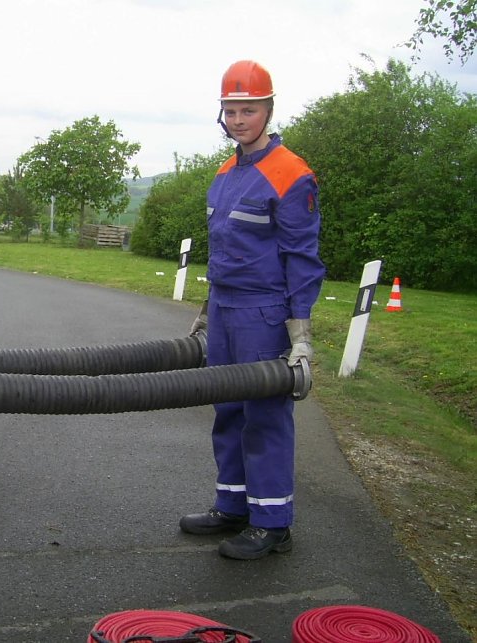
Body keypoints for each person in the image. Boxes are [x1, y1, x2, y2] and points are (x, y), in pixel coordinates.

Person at [179, 60, 325, 560]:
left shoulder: (292, 174)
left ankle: (273, 523)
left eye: (249, 109)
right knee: (227, 410)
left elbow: (302, 260)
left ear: (268, 109)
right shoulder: (225, 173)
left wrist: (300, 334)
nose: (239, 119)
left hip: (264, 314)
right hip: (224, 308)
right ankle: (234, 507)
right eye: (231, 110)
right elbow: (223, 249)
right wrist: (205, 308)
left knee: (263, 415)